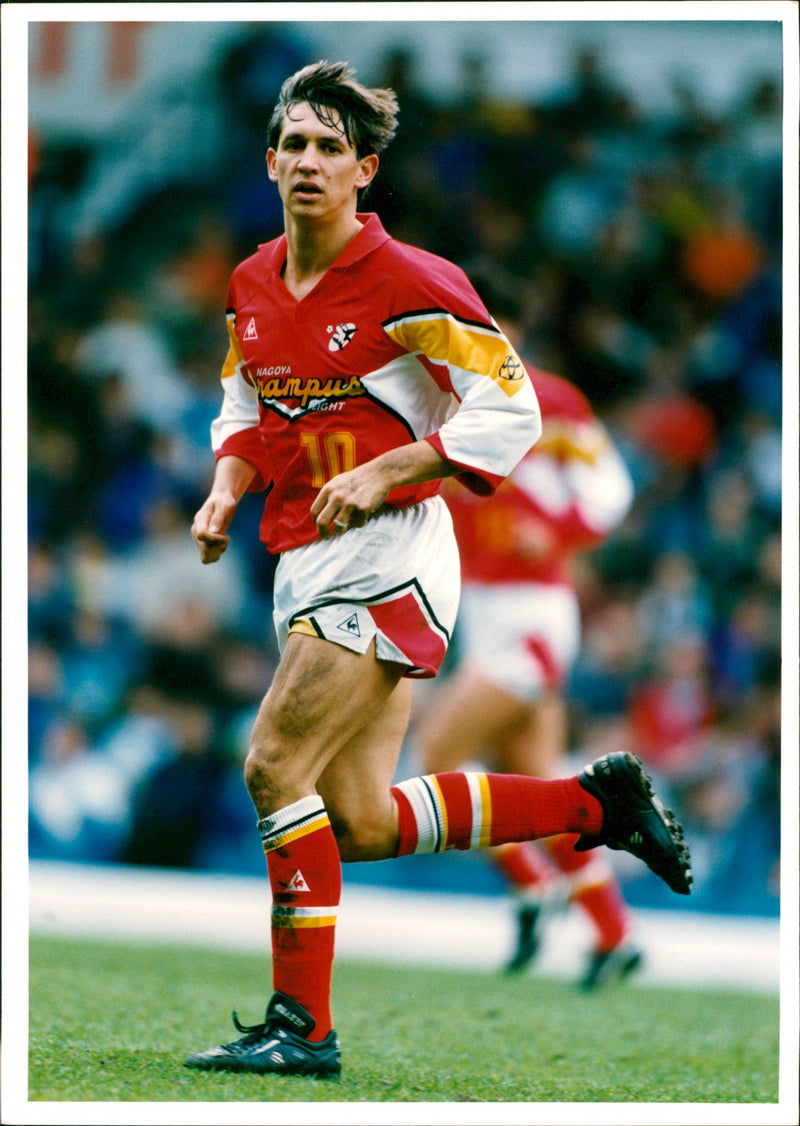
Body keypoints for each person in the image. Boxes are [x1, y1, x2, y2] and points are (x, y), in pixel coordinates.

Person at [185, 60, 691, 1080]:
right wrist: (225, 488)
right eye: (294, 144)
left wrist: (393, 466)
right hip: (302, 556)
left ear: (365, 170)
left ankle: (304, 1026)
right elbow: (248, 406)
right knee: (361, 819)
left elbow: (510, 407)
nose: (309, 162)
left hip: (394, 555)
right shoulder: (249, 284)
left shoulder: (411, 280)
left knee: (271, 765)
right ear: (269, 159)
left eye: (332, 147)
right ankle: (593, 808)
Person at [416, 362, 644, 989]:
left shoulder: (543, 398)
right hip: (487, 613)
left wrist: (560, 531)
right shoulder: (432, 399)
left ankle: (532, 885)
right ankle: (614, 934)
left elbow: (609, 487)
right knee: (540, 791)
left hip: (529, 615)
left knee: (437, 754)